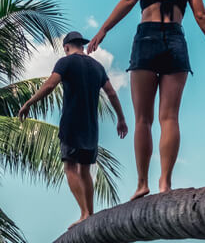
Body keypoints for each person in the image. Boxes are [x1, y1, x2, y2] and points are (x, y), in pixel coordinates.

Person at [87, 0, 205, 200]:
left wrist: (103, 30)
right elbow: (201, 15)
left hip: (148, 38)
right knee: (170, 118)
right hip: (176, 40)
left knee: (143, 119)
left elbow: (129, 1)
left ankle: (142, 183)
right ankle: (165, 182)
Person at [18, 31, 128, 227]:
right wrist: (121, 119)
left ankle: (85, 213)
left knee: (70, 167)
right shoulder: (97, 67)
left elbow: (50, 85)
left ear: (67, 47)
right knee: (85, 170)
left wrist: (29, 102)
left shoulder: (65, 62)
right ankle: (90, 213)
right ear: (82, 46)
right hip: (91, 128)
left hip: (71, 125)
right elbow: (111, 93)